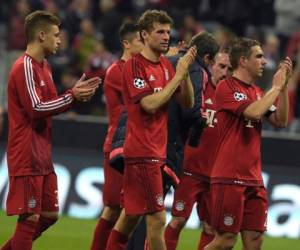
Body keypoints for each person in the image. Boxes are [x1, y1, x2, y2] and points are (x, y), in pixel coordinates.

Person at [1, 10, 100, 250]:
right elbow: (36, 108)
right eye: (56, 35)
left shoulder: (45, 67)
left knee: (49, 215)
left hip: (42, 153)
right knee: (30, 217)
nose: (60, 40)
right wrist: (72, 96)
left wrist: (74, 96)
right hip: (26, 153)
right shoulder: (24, 66)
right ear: (41, 35)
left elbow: (52, 105)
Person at [105, 9, 196, 250]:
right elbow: (150, 104)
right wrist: (177, 77)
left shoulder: (167, 65)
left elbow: (187, 103)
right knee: (157, 219)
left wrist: (184, 74)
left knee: (129, 218)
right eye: (160, 32)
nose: (166, 36)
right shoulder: (134, 66)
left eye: (168, 31)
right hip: (142, 152)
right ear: (144, 34)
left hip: (156, 151)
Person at [206, 37, 292, 250]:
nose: (264, 61)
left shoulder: (256, 92)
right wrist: (276, 86)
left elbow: (281, 120)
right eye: (259, 56)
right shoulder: (227, 87)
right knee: (225, 241)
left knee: (255, 240)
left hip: (254, 178)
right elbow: (254, 112)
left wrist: (283, 89)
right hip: (229, 176)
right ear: (243, 60)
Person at [165, 51, 231, 250]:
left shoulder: (232, 99)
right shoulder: (199, 90)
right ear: (211, 65)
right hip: (190, 170)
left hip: (216, 176)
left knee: (211, 229)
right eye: (222, 66)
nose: (225, 72)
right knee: (178, 221)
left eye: (230, 69)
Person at [90, 22, 143, 250]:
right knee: (113, 208)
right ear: (127, 43)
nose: (144, 44)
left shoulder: (140, 70)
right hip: (117, 147)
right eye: (140, 40)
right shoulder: (116, 71)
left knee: (130, 210)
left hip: (138, 146)